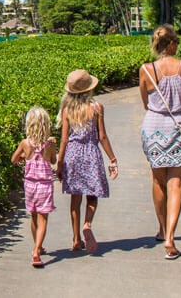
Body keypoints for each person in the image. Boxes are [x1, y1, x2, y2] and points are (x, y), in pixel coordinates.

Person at [139, 24, 181, 260]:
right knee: (176, 184)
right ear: (172, 43)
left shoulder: (146, 69)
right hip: (179, 127)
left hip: (153, 127)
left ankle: (162, 228)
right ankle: (170, 238)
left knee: (158, 181)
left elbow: (146, 102)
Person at [56, 69, 118, 254]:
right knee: (92, 195)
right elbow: (103, 136)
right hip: (91, 153)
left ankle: (76, 239)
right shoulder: (97, 108)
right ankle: (87, 224)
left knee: (75, 198)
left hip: (72, 156)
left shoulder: (67, 110)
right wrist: (113, 159)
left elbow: (64, 139)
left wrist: (59, 162)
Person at [11, 106, 57, 268]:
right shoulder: (49, 145)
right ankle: (37, 251)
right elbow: (53, 161)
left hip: (30, 184)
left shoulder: (25, 143)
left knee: (33, 215)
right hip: (44, 185)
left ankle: (37, 246)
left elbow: (14, 159)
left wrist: (25, 155)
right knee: (43, 219)